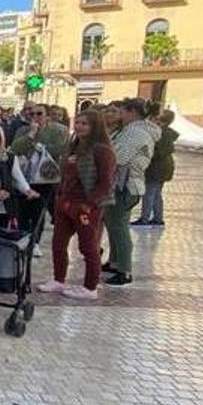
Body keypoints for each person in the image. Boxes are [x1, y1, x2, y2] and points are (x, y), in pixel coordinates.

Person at [37, 109, 116, 300]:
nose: (80, 127)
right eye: (78, 123)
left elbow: (106, 182)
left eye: (85, 124)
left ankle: (90, 287)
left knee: (88, 246)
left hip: (85, 206)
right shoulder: (74, 146)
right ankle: (58, 279)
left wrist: (89, 204)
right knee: (58, 243)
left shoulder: (102, 150)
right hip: (65, 203)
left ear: (95, 126)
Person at [103, 98, 159, 286]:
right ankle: (115, 261)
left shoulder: (135, 132)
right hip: (122, 184)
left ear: (132, 112)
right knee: (113, 224)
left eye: (122, 111)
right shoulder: (130, 130)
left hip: (126, 185)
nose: (119, 114)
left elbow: (119, 156)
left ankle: (125, 270)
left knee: (119, 228)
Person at [9, 103, 69, 230]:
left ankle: (35, 242)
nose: (35, 116)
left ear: (47, 116)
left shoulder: (60, 130)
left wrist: (36, 145)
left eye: (39, 113)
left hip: (46, 177)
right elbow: (15, 149)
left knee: (39, 213)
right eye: (32, 114)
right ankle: (25, 240)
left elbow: (58, 150)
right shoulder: (23, 130)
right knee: (23, 214)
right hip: (26, 176)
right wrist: (31, 135)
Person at [135, 109, 178, 227]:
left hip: (156, 168)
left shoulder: (159, 134)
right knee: (156, 193)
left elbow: (156, 152)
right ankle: (158, 218)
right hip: (164, 167)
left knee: (149, 193)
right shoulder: (167, 134)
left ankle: (144, 219)